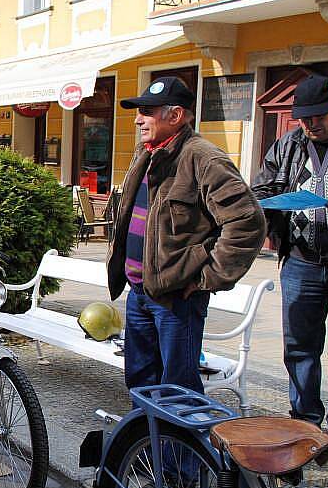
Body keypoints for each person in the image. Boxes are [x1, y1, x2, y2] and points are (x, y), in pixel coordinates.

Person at [109, 76, 265, 399]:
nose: (138, 119)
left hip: (176, 299)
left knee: (177, 393)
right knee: (140, 385)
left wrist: (208, 277)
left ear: (176, 115)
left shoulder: (204, 158)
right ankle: (147, 448)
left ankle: (179, 451)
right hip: (139, 294)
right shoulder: (147, 152)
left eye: (148, 112)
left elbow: (247, 222)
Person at [252, 74, 328, 460]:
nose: (311, 124)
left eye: (318, 115)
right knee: (299, 346)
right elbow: (260, 190)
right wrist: (277, 202)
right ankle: (305, 421)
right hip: (301, 261)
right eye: (304, 118)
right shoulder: (287, 144)